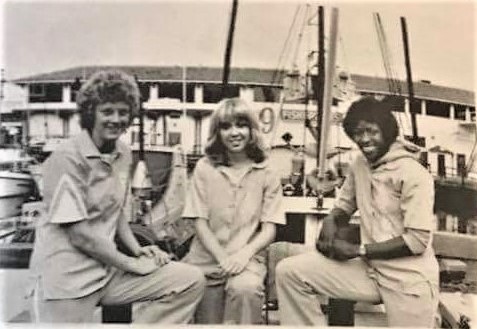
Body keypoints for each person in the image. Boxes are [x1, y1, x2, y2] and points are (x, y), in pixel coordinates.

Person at [28, 70, 205, 323]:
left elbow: (116, 209)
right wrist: (130, 264)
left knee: (188, 281)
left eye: (123, 112)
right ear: (91, 114)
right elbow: (81, 236)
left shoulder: (123, 153)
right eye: (107, 111)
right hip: (65, 281)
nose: (116, 119)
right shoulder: (66, 158)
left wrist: (139, 250)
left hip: (106, 271)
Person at [276, 96, 439, 327]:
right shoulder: (359, 165)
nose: (364, 139)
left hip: (409, 281)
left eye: (371, 131)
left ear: (388, 131)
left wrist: (357, 250)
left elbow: (417, 241)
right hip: (370, 272)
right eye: (357, 133)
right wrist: (330, 223)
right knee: (290, 273)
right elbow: (344, 205)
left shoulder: (414, 173)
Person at [182, 97, 285, 324]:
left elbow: (269, 229)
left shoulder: (267, 170)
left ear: (252, 129)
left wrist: (242, 256)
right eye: (225, 127)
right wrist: (222, 259)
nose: (234, 133)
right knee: (206, 314)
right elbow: (199, 221)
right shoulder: (204, 167)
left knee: (246, 289)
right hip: (206, 258)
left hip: (246, 259)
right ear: (217, 133)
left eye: (241, 125)